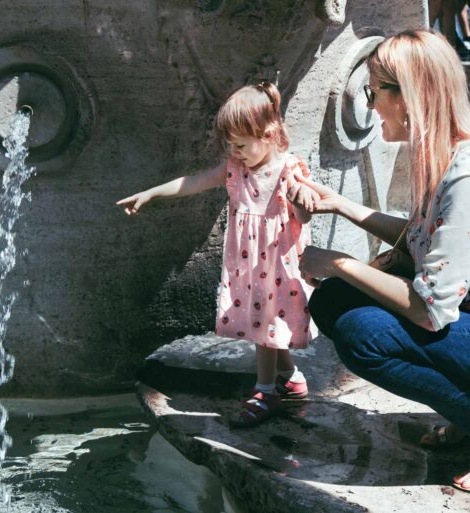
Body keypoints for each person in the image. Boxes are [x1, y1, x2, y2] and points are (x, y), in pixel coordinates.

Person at [289, 30, 470, 494]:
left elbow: (430, 309)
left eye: (374, 91)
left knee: (365, 334)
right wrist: (343, 206)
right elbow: (424, 240)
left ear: (409, 95)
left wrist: (341, 263)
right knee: (334, 303)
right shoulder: (447, 155)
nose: (369, 104)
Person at [117, 82, 319, 427]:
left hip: (278, 264)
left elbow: (304, 216)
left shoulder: (289, 170)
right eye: (231, 146)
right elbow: (193, 182)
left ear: (269, 135)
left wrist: (302, 198)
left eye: (240, 145)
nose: (235, 152)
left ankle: (265, 390)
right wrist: (151, 194)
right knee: (265, 327)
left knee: (268, 326)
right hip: (249, 265)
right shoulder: (235, 170)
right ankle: (291, 376)